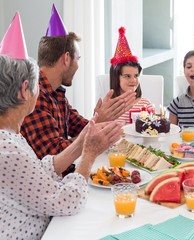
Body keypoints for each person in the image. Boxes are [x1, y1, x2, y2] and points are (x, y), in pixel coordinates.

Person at [0, 14, 123, 239]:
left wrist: (87, 136)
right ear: (25, 89)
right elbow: (67, 202)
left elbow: (38, 171)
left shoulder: (11, 139)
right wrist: (87, 156)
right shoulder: (7, 150)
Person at [20, 5, 136, 160]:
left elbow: (80, 127)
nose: (78, 65)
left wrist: (98, 119)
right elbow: (55, 155)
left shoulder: (57, 93)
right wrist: (96, 122)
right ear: (66, 59)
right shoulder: (37, 96)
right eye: (78, 59)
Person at [109, 27, 154, 124]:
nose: (133, 80)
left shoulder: (145, 105)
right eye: (127, 76)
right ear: (116, 78)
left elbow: (152, 131)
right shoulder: (108, 107)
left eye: (136, 76)